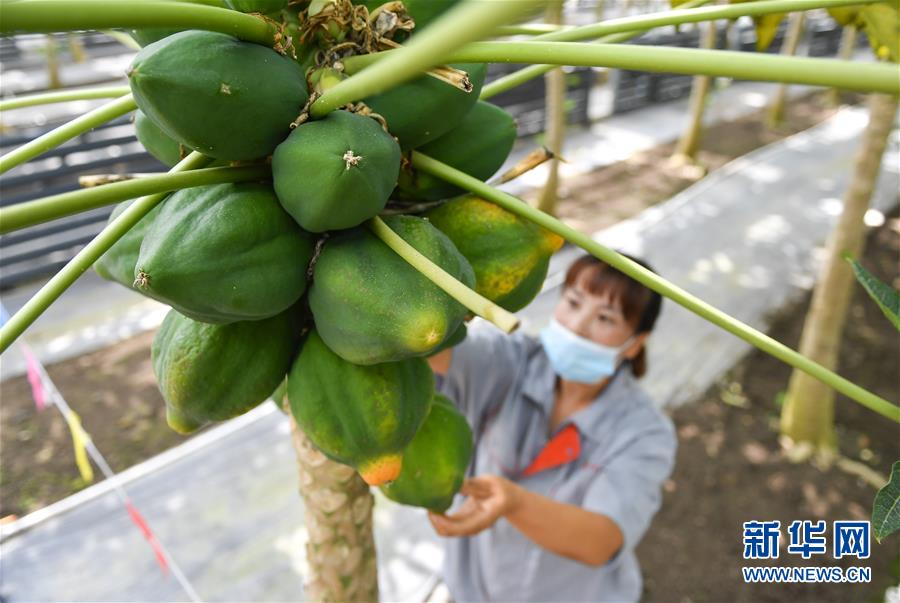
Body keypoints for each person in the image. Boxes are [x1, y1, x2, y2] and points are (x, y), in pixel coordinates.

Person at [426, 253, 677, 603]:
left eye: (605, 318)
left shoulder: (644, 433)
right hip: (472, 591)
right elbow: (430, 345)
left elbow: (601, 541)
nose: (577, 325)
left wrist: (514, 502)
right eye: (573, 302)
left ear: (635, 343)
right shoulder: (512, 360)